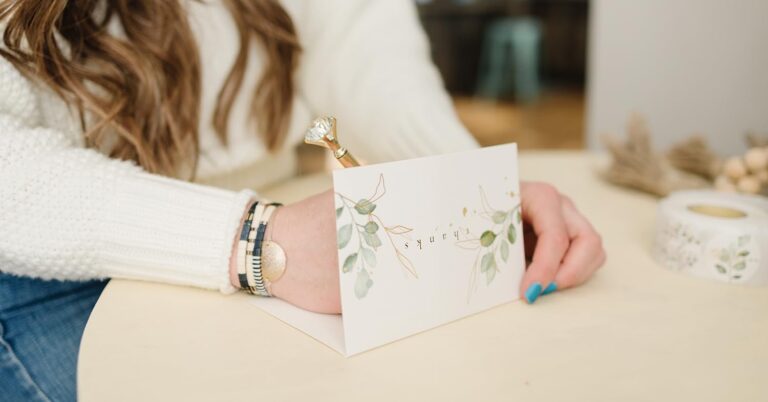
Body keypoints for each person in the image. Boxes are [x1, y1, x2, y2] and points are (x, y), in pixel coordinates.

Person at [0, 0, 606, 401]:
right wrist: (257, 241)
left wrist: (463, 188)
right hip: (52, 263)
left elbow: (359, 42)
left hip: (272, 218)